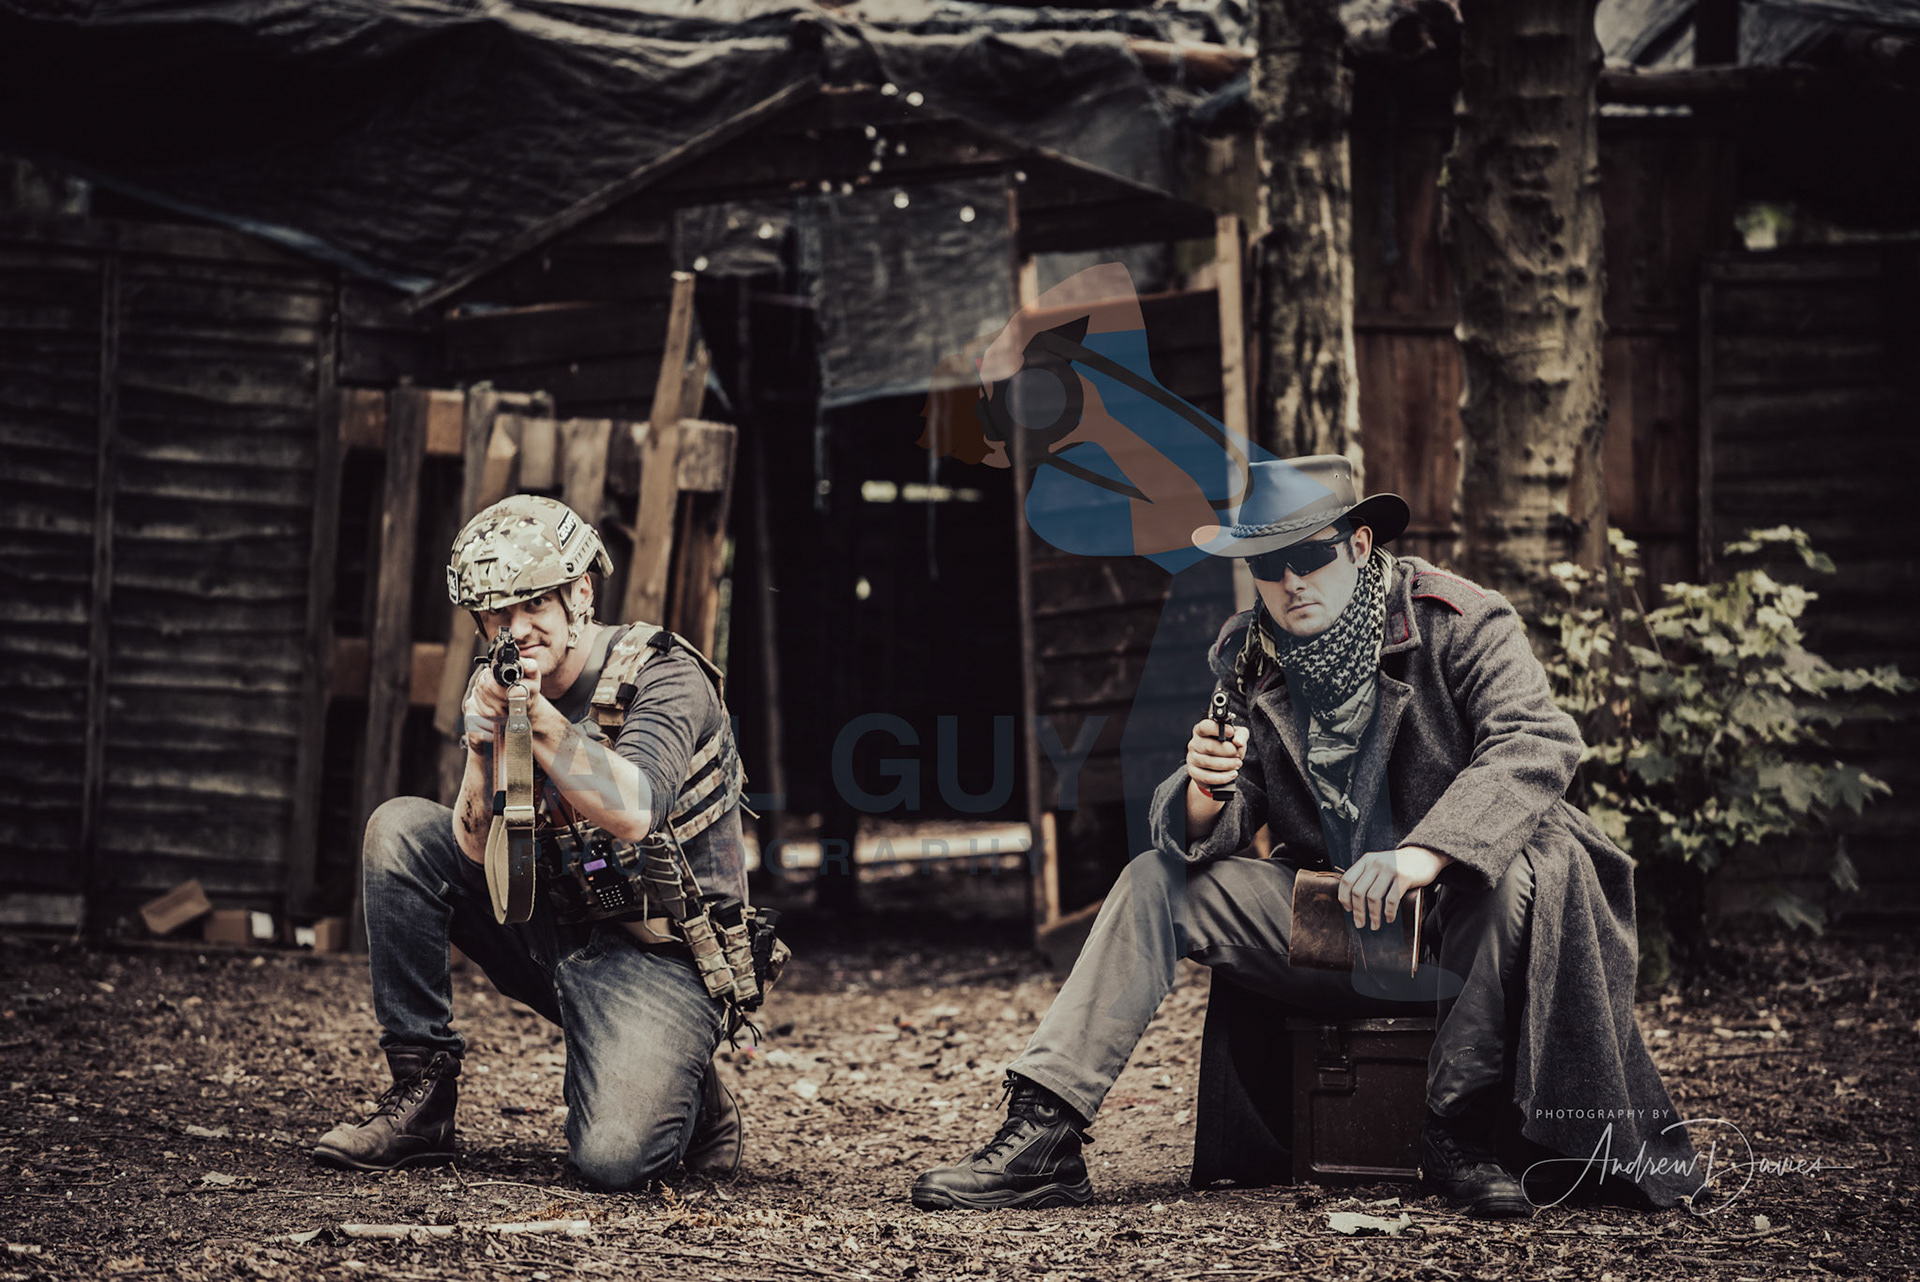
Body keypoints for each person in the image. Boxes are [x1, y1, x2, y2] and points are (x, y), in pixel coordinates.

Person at [910, 456, 1697, 1217]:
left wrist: (1427, 853)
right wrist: (1204, 792)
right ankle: (1044, 1132)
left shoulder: (1458, 621)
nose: (1291, 581)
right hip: (1340, 924)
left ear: (1359, 543)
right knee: (1155, 881)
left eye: (1311, 556)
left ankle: (1457, 1132)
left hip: (1469, 927)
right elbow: (1228, 812)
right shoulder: (1249, 655)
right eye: (1268, 563)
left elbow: (1537, 741)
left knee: (1516, 868)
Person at [313, 494, 755, 1188]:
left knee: (612, 1162)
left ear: (581, 595)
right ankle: (422, 1099)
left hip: (662, 953)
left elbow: (635, 810)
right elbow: (470, 856)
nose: (515, 629)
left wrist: (538, 720)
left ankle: (694, 1095)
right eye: (497, 614)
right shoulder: (503, 679)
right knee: (399, 833)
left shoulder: (664, 673)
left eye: (535, 605)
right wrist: (482, 747)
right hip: (559, 918)